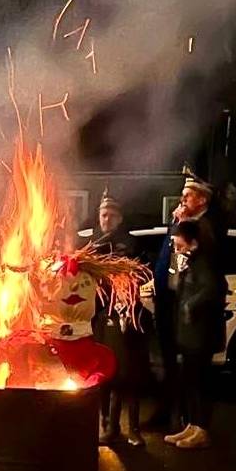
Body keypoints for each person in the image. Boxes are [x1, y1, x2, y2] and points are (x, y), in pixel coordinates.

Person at [150, 167, 220, 432]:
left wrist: (183, 226)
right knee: (169, 362)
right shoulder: (181, 221)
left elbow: (202, 270)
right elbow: (170, 259)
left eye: (188, 196)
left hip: (188, 306)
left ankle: (193, 422)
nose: (182, 200)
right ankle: (170, 415)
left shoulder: (206, 227)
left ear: (201, 200)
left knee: (193, 369)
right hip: (169, 299)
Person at [92, 191, 152, 447]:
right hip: (102, 318)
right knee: (105, 375)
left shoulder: (130, 244)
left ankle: (133, 429)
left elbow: (143, 274)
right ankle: (108, 426)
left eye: (110, 215)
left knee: (129, 375)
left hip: (128, 317)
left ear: (119, 218)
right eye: (102, 215)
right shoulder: (93, 244)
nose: (106, 220)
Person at [163, 219, 226, 450]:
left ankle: (202, 430)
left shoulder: (205, 262)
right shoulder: (188, 261)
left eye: (180, 245)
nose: (177, 249)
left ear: (194, 243)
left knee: (199, 382)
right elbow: (174, 283)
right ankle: (192, 424)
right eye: (175, 245)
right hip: (188, 334)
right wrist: (176, 259)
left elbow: (213, 289)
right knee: (188, 380)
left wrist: (191, 305)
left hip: (200, 334)